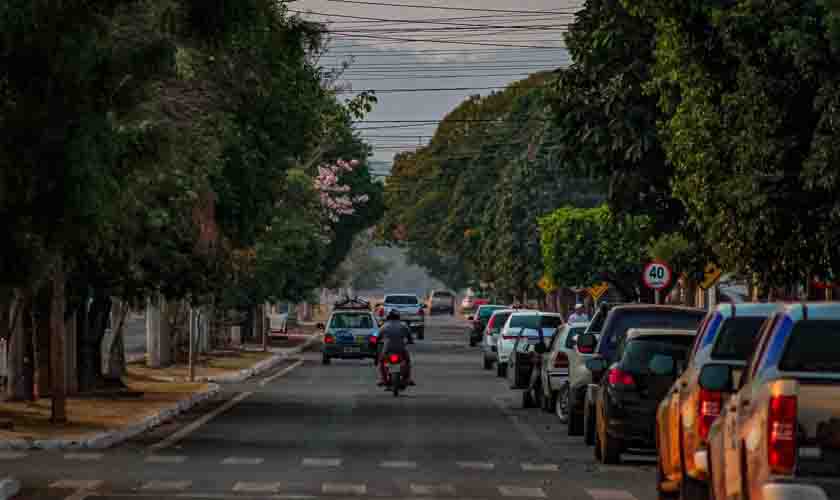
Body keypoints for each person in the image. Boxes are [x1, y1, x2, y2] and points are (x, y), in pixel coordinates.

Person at [377, 310, 415, 386]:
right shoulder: (403, 325)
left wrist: (374, 342)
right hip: (401, 348)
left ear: (388, 317)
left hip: (388, 348)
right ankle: (408, 378)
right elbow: (409, 335)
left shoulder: (385, 325)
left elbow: (377, 335)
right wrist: (410, 341)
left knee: (381, 361)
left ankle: (383, 379)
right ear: (398, 317)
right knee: (407, 361)